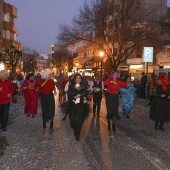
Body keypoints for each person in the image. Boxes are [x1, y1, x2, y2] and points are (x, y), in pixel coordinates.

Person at [67, 74, 88, 141]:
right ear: (75, 79)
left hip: (81, 105)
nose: (78, 79)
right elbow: (69, 95)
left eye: (79, 78)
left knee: (80, 120)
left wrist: (85, 99)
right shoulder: (71, 86)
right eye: (77, 78)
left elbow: (85, 95)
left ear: (81, 79)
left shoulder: (83, 87)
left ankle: (77, 134)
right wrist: (74, 96)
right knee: (72, 121)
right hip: (73, 105)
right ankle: (75, 129)